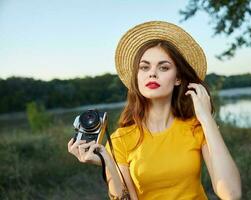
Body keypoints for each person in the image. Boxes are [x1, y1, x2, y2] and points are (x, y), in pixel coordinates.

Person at [68, 21, 241, 200]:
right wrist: (107, 161)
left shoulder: (196, 128)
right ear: (137, 76)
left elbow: (231, 193)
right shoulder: (121, 139)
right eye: (144, 67)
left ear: (178, 78)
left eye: (163, 67)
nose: (152, 73)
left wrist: (206, 119)